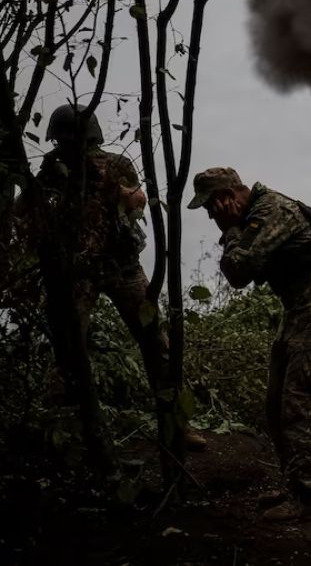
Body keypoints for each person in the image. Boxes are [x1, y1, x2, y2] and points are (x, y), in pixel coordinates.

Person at [25, 104, 206, 453]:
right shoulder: (52, 171)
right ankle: (67, 429)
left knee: (157, 345)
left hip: (122, 266)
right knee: (68, 346)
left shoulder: (116, 165)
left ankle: (176, 427)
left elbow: (137, 203)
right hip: (79, 271)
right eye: (60, 142)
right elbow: (29, 210)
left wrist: (109, 188)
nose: (65, 147)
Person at [189, 167, 311, 522]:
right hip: (298, 315)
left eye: (211, 208)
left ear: (227, 197)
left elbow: (238, 270)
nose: (212, 216)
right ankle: (294, 486)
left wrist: (230, 230)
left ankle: (306, 501)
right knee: (275, 407)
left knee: (298, 410)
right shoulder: (261, 213)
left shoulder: (271, 211)